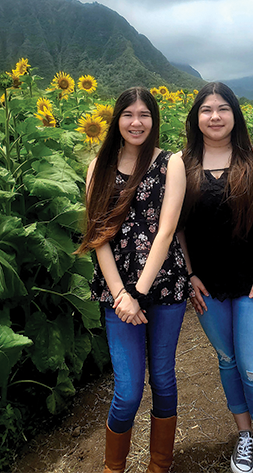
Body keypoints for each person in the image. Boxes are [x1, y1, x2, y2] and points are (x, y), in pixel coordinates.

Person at [179, 82, 253, 473]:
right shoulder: (182, 165)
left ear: (235, 114)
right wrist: (190, 273)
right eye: (206, 109)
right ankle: (244, 435)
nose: (214, 116)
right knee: (227, 360)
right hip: (208, 284)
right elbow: (176, 228)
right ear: (196, 117)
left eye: (222, 108)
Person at [76, 87, 188, 473]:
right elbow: (98, 235)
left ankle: (160, 465)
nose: (136, 122)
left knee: (162, 377)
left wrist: (139, 292)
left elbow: (167, 230)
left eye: (144, 115)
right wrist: (122, 293)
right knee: (126, 392)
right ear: (116, 120)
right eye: (128, 114)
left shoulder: (170, 163)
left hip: (164, 285)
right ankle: (114, 468)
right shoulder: (98, 167)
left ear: (154, 120)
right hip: (118, 294)